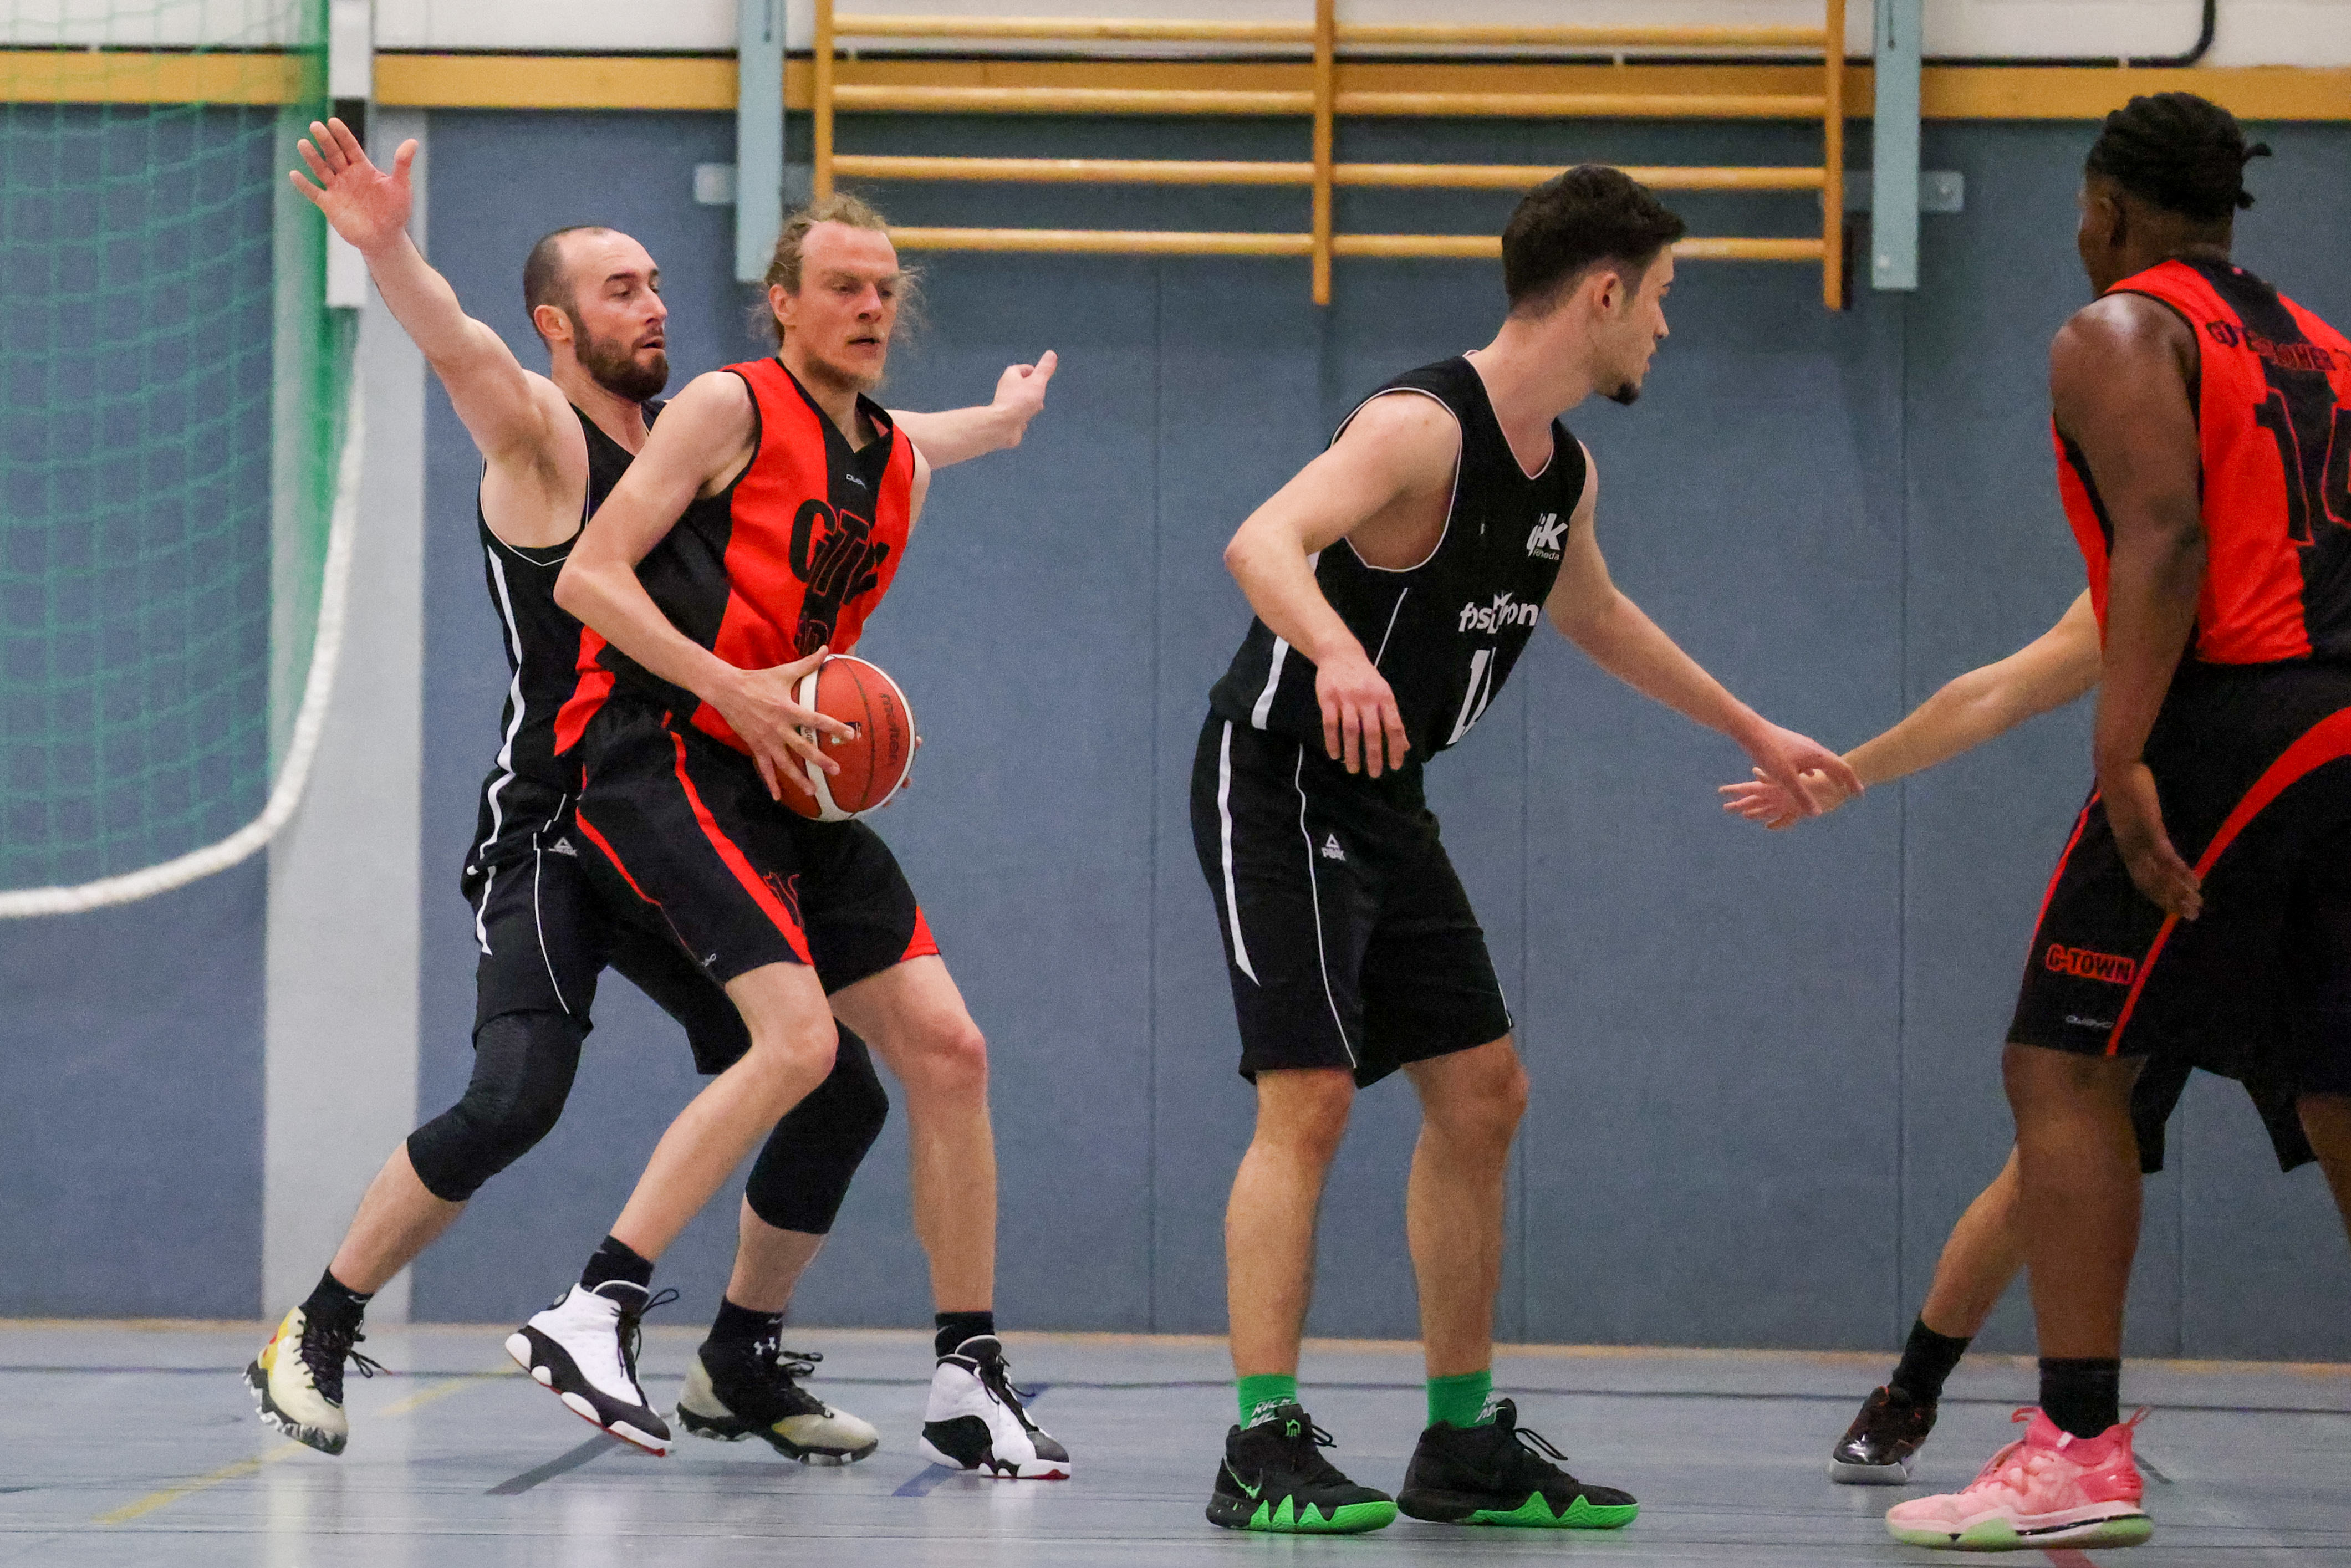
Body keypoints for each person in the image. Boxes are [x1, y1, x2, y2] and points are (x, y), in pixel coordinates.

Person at [248, 121, 1053, 1462]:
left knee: (835, 1084)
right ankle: (318, 1323)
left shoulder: (702, 432)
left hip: (686, 796)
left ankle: (737, 1360)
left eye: (658, 284)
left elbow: (884, 435)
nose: (654, 304)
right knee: (518, 1095)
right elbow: (456, 345)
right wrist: (389, 251)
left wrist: (1002, 422)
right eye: (620, 289)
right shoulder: (543, 435)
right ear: (558, 325)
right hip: (564, 820)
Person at [1189, 165, 1865, 1535]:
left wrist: (1751, 725)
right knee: (1309, 1096)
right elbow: (1262, 540)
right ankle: (1259, 1440)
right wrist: (1336, 652)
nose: (1665, 325)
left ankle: (1458, 1441)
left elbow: (1593, 611)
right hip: (1279, 777)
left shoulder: (1564, 468)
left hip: (1385, 794)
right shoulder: (1418, 428)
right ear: (1603, 293)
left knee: (1485, 1094)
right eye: (1660, 297)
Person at [1863, 93, 2351, 1552]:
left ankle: (2077, 1444)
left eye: (2083, 211)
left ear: (2110, 207)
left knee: (2063, 1066)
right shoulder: (2326, 347)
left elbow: (2165, 533)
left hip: (2233, 717)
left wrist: (2125, 746)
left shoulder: (2121, 329)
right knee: (2337, 1082)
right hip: (2339, 724)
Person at [538, 192, 1069, 1479]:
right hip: (663, 747)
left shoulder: (893, 458)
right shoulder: (727, 405)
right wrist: (732, 686)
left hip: (787, 770)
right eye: (842, 285)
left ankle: (961, 1370)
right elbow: (589, 575)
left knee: (948, 1049)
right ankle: (593, 1306)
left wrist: (1005, 420)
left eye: (886, 287)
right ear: (782, 302)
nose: (871, 305)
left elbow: (924, 438)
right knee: (800, 1042)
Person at [1719, 590, 2348, 1484]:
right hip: (2181, 876)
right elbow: (2003, 687)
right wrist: (1845, 773)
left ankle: (2059, 1439)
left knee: (2321, 1104)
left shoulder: (2216, 549)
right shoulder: (2182, 558)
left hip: (2274, 841)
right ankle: (1912, 1392)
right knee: (2050, 1159)